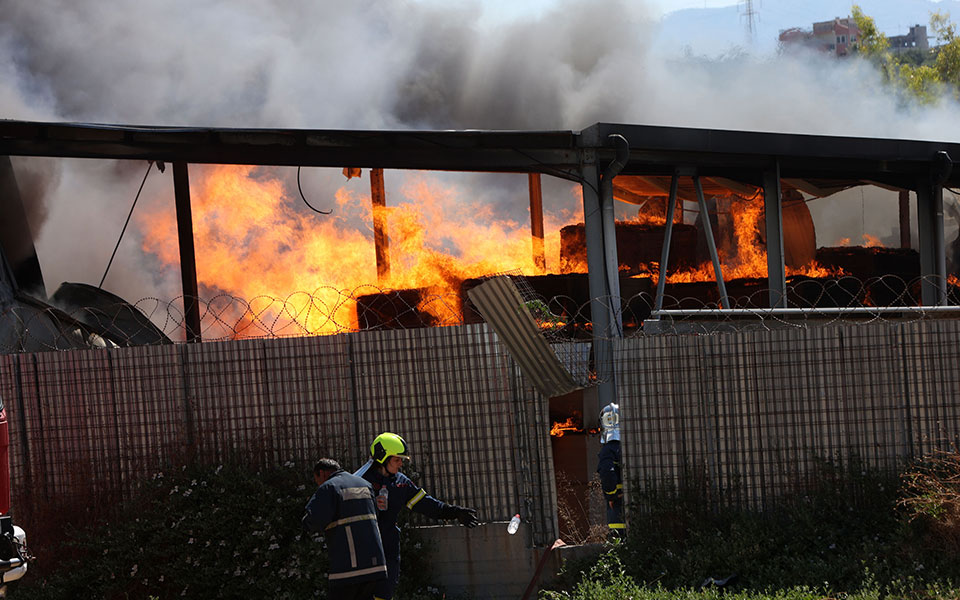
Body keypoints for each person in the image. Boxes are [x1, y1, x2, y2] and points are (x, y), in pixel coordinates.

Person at [355, 432, 480, 600]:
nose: (401, 464)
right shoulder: (359, 481)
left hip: (389, 547)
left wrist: (454, 512)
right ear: (382, 458)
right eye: (397, 460)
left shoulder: (401, 482)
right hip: (364, 548)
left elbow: (427, 504)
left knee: (385, 594)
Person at [302, 457, 388, 600]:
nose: (318, 483)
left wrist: (305, 526)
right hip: (374, 564)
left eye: (317, 479)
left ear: (322, 473)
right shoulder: (364, 484)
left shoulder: (329, 487)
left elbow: (315, 519)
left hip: (348, 566)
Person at [597, 403, 625, 538]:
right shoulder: (630, 446)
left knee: (617, 538)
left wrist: (611, 495)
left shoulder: (607, 450)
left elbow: (607, 472)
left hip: (617, 501)